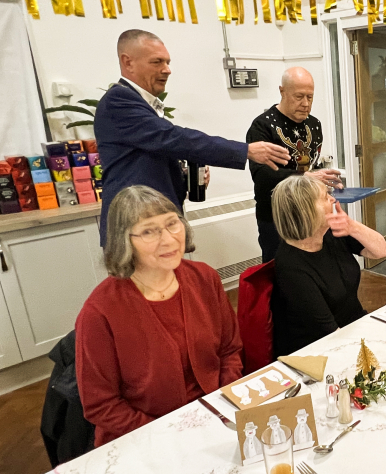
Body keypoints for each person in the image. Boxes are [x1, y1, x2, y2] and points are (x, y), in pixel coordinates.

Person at [76, 186, 243, 446]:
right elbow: (101, 405)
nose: (168, 239)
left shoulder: (204, 278)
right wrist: (169, 434)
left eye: (172, 224)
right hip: (143, 437)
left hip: (215, 419)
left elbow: (229, 350)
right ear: (124, 240)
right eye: (148, 231)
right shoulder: (100, 311)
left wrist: (223, 403)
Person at [95, 29, 291, 246]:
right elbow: (173, 138)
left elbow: (151, 156)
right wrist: (246, 151)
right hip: (134, 228)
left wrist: (183, 176)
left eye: (168, 62)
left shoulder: (142, 105)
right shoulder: (118, 101)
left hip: (155, 224)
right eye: (157, 62)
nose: (167, 70)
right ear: (128, 62)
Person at [270, 175, 386, 357]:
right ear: (306, 210)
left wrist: (352, 226)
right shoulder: (291, 266)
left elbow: (382, 251)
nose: (333, 199)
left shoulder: (330, 233)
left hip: (353, 327)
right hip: (318, 350)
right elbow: (329, 333)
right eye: (325, 197)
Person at [246, 67, 344, 263]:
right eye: (299, 96)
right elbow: (262, 177)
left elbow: (311, 168)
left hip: (310, 215)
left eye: (310, 97)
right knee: (279, 273)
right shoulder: (262, 127)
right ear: (282, 91)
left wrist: (322, 178)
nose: (306, 104)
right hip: (276, 218)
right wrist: (305, 177)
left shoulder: (314, 124)